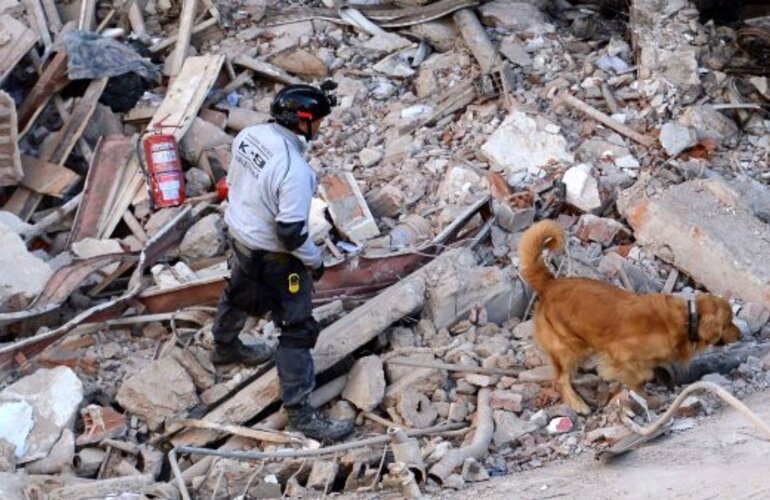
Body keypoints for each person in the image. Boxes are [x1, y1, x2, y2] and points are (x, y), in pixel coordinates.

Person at [210, 83, 353, 441]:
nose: (320, 127)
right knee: (297, 326)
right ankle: (300, 412)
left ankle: (225, 348)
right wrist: (314, 261)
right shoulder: (295, 169)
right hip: (273, 255)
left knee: (237, 291)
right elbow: (290, 232)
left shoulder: (250, 135)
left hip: (240, 234)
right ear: (302, 122)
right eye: (317, 121)